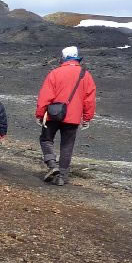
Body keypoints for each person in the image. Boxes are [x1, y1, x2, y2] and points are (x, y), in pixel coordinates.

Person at [35, 45, 96, 186]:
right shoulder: (85, 75)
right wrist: (87, 118)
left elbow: (45, 96)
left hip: (53, 114)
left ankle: (52, 165)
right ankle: (61, 177)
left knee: (46, 139)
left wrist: (40, 114)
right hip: (73, 117)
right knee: (67, 146)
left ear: (63, 58)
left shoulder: (55, 73)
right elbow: (89, 99)